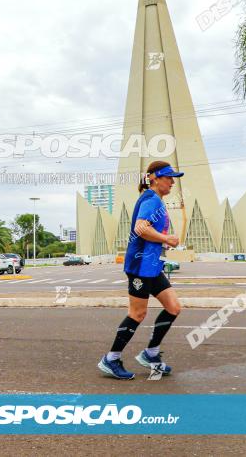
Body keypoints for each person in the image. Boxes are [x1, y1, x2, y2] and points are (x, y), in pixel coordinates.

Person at [98, 161, 183, 380]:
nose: (173, 182)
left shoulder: (157, 201)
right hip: (139, 267)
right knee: (138, 313)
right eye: (169, 177)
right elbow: (140, 228)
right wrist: (167, 238)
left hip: (152, 266)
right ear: (155, 178)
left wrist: (161, 243)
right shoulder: (150, 199)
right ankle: (111, 358)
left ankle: (151, 354)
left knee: (173, 307)